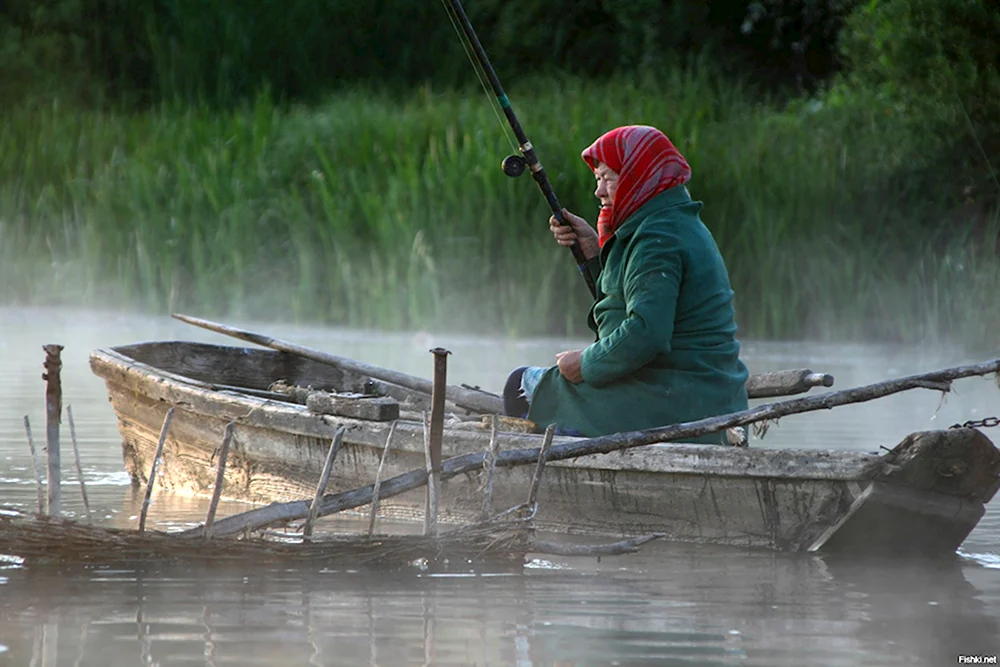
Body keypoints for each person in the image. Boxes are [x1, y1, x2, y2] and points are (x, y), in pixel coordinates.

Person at [502, 125, 749, 444]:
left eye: (608, 178)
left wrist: (584, 363)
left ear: (639, 178)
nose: (599, 192)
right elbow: (629, 300)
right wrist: (595, 253)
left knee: (521, 385)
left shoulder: (657, 240)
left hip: (677, 400)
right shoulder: (668, 222)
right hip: (700, 393)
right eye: (598, 180)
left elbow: (645, 334)